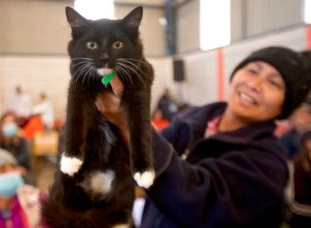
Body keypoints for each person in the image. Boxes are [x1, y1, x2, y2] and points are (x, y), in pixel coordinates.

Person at [95, 46, 311, 227]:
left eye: (274, 83)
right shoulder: (196, 118)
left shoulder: (268, 164)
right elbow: (143, 162)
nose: (255, 85)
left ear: (285, 104)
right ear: (236, 73)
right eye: (253, 70)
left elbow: (197, 203)